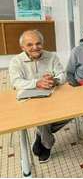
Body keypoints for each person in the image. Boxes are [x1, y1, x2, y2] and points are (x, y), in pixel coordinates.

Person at [9, 30, 68, 163]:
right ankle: (47, 144)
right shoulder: (16, 61)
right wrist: (37, 83)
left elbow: (62, 75)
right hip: (28, 102)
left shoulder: (51, 56)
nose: (35, 47)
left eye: (38, 43)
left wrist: (55, 80)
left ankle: (40, 134)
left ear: (42, 43)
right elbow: (16, 82)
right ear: (22, 47)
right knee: (43, 118)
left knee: (73, 112)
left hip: (52, 98)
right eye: (30, 45)